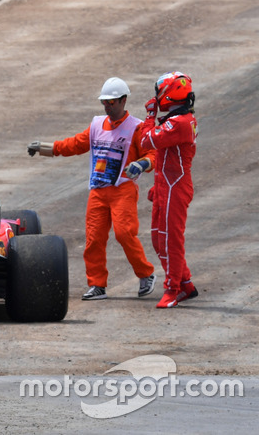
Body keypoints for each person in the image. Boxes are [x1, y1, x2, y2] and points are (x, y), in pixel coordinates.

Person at [28, 77, 157, 301]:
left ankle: (146, 274)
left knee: (124, 233)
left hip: (123, 190)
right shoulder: (97, 124)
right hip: (98, 191)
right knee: (94, 239)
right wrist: (45, 148)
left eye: (112, 102)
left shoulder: (136, 127)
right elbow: (75, 144)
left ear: (123, 100)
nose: (107, 106)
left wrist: (142, 164)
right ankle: (97, 284)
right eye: (104, 102)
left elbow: (152, 154)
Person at [139, 72, 198, 308]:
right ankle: (185, 283)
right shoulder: (178, 119)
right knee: (157, 238)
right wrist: (159, 186)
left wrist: (149, 116)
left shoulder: (179, 123)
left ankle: (172, 289)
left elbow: (145, 141)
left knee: (171, 241)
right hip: (167, 184)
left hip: (176, 187)